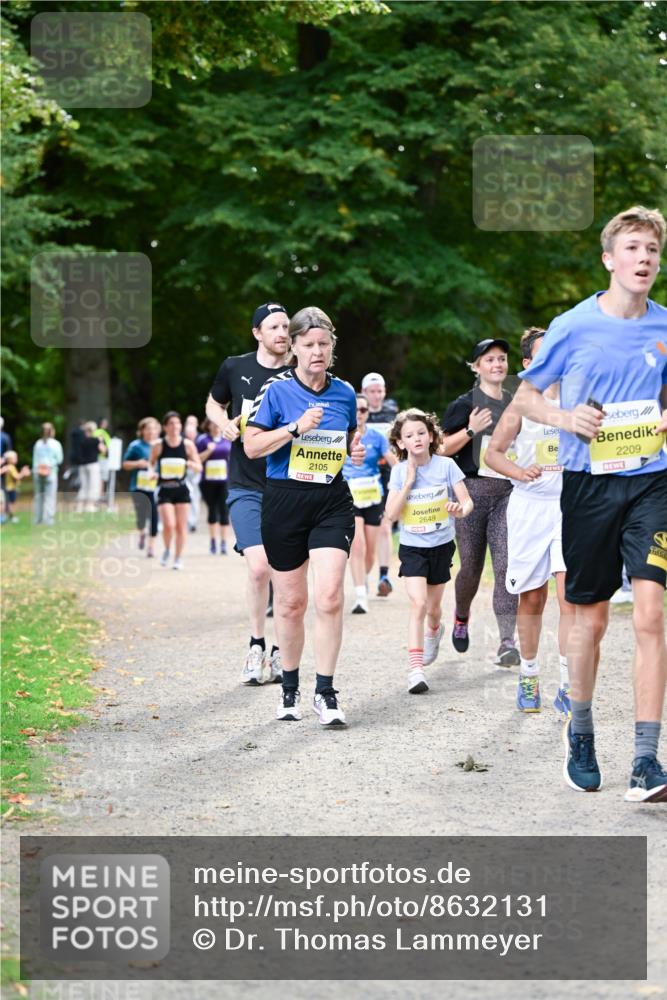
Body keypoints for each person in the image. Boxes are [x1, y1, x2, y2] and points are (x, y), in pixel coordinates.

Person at [513, 205, 667, 803]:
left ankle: (648, 761)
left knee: (652, 612)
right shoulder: (573, 325)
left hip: (652, 481)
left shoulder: (664, 326)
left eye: (652, 250)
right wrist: (565, 415)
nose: (644, 259)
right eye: (632, 248)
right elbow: (526, 399)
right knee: (592, 620)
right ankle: (580, 733)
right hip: (588, 485)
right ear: (609, 258)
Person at [245, 305, 365, 726]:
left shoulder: (346, 393)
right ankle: (290, 689)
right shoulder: (276, 391)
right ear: (293, 347)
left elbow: (346, 439)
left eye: (324, 345)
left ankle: (327, 693)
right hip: (284, 501)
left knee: (331, 596)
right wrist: (294, 428)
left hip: (331, 501)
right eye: (309, 345)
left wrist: (354, 450)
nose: (317, 352)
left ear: (333, 347)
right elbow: (251, 447)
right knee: (293, 604)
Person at [485, 327, 574, 716]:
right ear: (527, 364)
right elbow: (493, 454)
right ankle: (530, 674)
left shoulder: (578, 398)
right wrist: (520, 473)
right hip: (530, 506)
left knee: (571, 597)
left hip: (571, 508)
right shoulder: (521, 404)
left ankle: (570, 685)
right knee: (533, 597)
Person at [206, 302, 291, 686]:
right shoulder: (234, 367)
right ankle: (256, 645)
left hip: (288, 484)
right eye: (273, 327)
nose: (282, 333)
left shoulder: (298, 373)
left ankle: (278, 650)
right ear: (257, 332)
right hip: (245, 483)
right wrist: (222, 423)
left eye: (286, 327)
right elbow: (214, 402)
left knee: (285, 573)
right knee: (259, 567)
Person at [441, 339, 520, 666]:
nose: (498, 365)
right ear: (476, 367)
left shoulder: (516, 403)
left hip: (506, 493)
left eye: (502, 359)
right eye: (490, 360)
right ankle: (461, 616)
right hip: (470, 493)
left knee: (505, 567)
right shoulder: (464, 404)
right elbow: (442, 448)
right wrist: (471, 430)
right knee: (471, 566)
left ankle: (506, 641)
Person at [385, 409, 473, 693]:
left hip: (441, 546)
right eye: (409, 435)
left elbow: (467, 502)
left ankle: (434, 631)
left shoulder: (446, 466)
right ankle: (415, 670)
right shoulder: (399, 472)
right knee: (418, 604)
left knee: (433, 610)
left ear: (432, 436)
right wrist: (409, 482)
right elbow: (391, 515)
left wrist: (460, 510)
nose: (417, 438)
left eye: (421, 433)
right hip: (412, 548)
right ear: (401, 443)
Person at [342, 393, 396, 613]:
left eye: (363, 410)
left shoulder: (377, 436)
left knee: (370, 551)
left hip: (373, 496)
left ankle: (361, 579)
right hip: (348, 495)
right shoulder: (341, 435)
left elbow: (393, 461)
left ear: (368, 413)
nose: (359, 414)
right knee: (358, 545)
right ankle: (360, 596)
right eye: (355, 409)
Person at [362, 372, 399, 597]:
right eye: (372, 391)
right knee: (367, 534)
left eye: (380, 391)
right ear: (364, 392)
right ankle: (362, 577)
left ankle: (384, 576)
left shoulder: (392, 412)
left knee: (385, 526)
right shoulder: (356, 412)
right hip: (362, 477)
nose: (377, 395)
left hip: (387, 475)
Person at [150, 411, 202, 570]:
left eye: (177, 423)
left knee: (180, 526)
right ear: (165, 427)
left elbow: (199, 466)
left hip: (181, 489)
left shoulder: (187, 445)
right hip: (165, 488)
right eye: (171, 423)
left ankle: (178, 557)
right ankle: (166, 549)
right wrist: (151, 472)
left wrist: (192, 465)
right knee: (169, 525)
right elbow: (150, 463)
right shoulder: (158, 445)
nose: (175, 427)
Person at [123, 417, 160, 557]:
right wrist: (138, 463)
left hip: (155, 486)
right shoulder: (136, 446)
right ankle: (142, 531)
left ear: (158, 430)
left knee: (154, 516)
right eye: (148, 429)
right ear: (142, 430)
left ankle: (151, 547)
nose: (151, 431)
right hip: (138, 486)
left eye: (154, 428)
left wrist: (158, 474)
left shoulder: (161, 445)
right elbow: (125, 464)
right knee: (141, 516)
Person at [196, 418, 232, 555]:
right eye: (214, 424)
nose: (216, 427)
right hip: (207, 482)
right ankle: (212, 541)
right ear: (208, 425)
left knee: (224, 511)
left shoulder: (227, 439)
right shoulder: (203, 440)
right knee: (212, 510)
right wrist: (208, 451)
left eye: (219, 424)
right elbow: (197, 459)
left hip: (224, 481)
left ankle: (223, 543)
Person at [32, 423, 64, 526]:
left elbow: (35, 460)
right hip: (51, 472)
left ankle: (38, 519)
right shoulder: (56, 444)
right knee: (50, 496)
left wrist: (37, 469)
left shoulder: (38, 443)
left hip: (38, 472)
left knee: (39, 496)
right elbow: (59, 459)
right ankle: (49, 519)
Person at [76, 421, 106, 513]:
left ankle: (80, 506)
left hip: (82, 466)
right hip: (93, 465)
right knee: (93, 485)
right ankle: (90, 505)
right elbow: (103, 451)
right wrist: (101, 441)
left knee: (84, 485)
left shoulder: (81, 441)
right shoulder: (96, 440)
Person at [184, 414, 202, 533]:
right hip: (183, 471)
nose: (190, 425)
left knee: (195, 496)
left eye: (192, 422)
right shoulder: (180, 438)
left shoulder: (201, 439)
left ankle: (193, 522)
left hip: (196, 470)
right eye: (188, 422)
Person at [1, 450, 31, 522]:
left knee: (7, 503)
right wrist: (23, 473)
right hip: (10, 488)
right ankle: (11, 517)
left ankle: (6, 516)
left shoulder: (8, 467)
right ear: (10, 459)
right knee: (11, 503)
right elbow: (17, 477)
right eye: (15, 458)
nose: (17, 459)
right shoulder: (11, 467)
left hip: (8, 488)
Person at [94, 417, 111, 494]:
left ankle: (100, 495)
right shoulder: (100, 432)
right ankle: (100, 495)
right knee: (101, 478)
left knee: (101, 478)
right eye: (105, 422)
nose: (106, 424)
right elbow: (100, 444)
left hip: (101, 458)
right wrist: (105, 451)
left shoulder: (101, 432)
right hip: (102, 458)